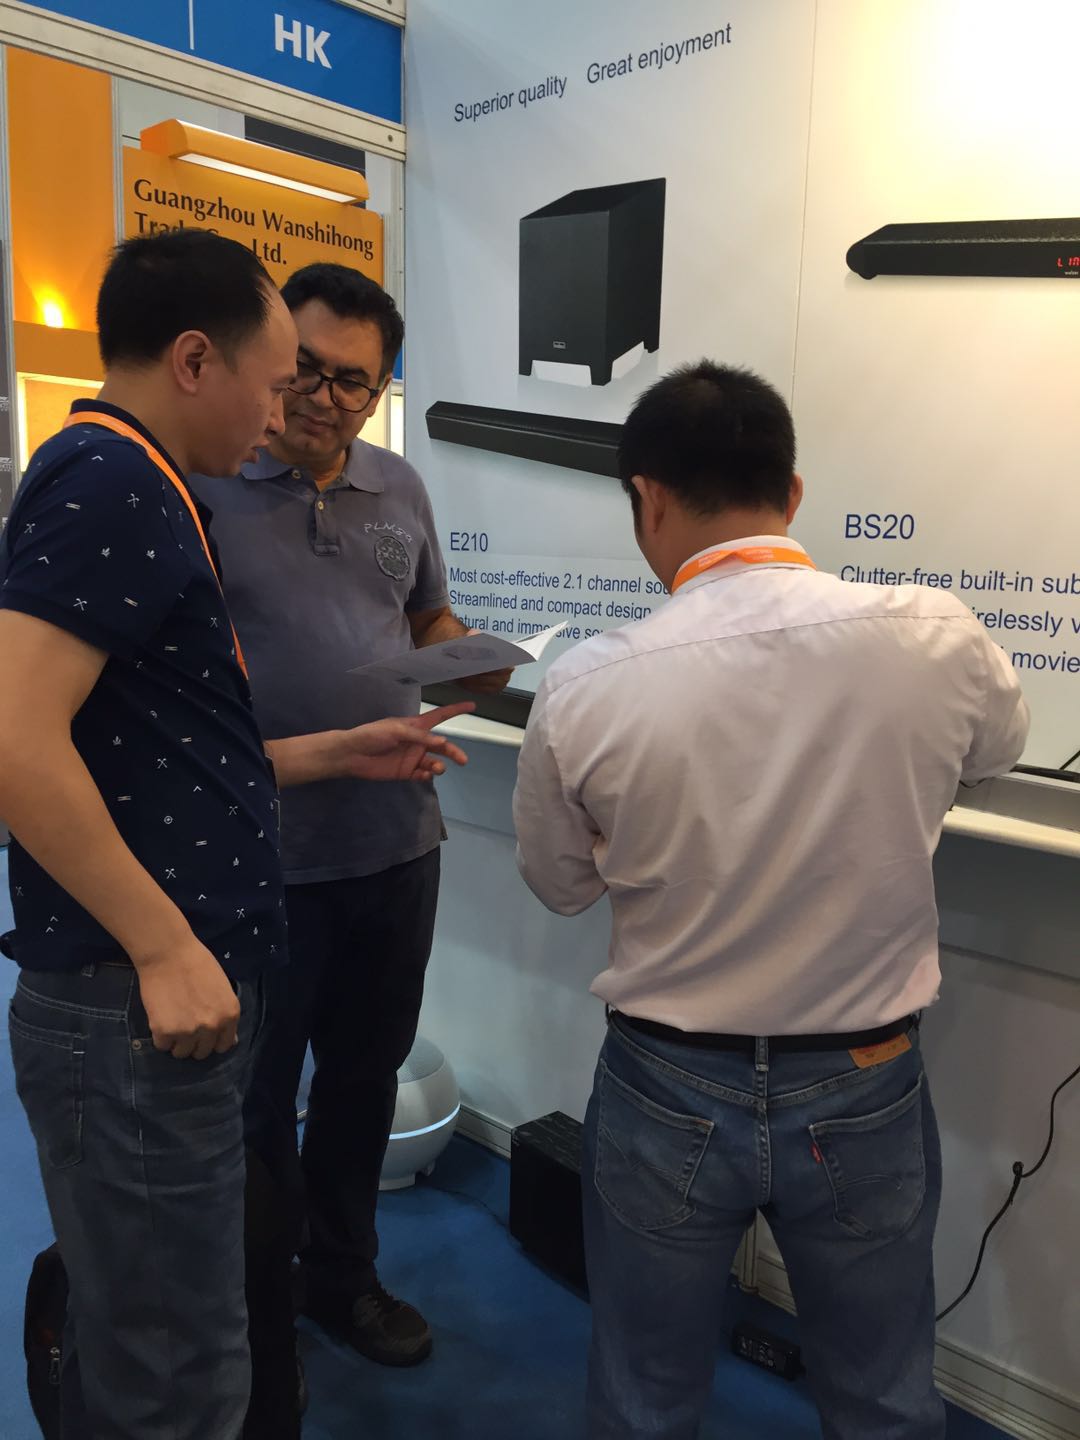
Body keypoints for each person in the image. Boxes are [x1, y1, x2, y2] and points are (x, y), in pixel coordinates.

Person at [0, 229, 470, 1440]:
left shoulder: (152, 482)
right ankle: (266, 1340)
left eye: (345, 383)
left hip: (328, 873)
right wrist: (164, 945)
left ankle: (318, 1294)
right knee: (174, 1363)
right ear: (196, 360)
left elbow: (172, 746)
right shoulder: (120, 483)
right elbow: (14, 738)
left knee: (173, 1332)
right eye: (281, 377)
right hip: (144, 981)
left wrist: (345, 748)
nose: (289, 409)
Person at [512, 361, 1029, 1440]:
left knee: (645, 1399)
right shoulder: (936, 636)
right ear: (791, 493)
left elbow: (558, 885)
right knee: (884, 1398)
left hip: (664, 1080)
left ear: (647, 497)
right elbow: (992, 754)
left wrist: (634, 840)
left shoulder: (586, 683)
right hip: (864, 1077)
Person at [193, 262, 508, 1374]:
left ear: (379, 392)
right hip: (260, 858)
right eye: (307, 370)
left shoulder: (399, 488)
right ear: (273, 357)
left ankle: (342, 1278)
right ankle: (255, 1306)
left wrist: (471, 661)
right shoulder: (206, 481)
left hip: (394, 846)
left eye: (353, 383)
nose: (322, 400)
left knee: (362, 1083)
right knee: (252, 1100)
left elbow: (426, 616)